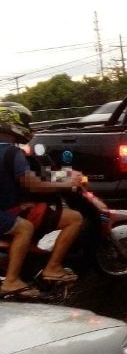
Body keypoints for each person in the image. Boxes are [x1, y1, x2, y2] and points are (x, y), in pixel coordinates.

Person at [0, 102, 84, 299]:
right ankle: (45, 270)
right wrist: (66, 182)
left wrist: (62, 176)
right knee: (73, 218)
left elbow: (24, 176)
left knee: (32, 212)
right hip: (4, 212)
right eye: (25, 122)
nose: (28, 127)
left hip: (6, 206)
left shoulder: (10, 151)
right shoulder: (11, 152)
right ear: (12, 123)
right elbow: (32, 183)